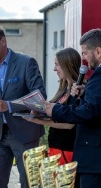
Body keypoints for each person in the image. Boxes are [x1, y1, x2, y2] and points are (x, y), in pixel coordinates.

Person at [0, 26, 46, 188]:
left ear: (3, 41)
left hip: (26, 134)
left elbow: (40, 97)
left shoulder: (26, 63)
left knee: (29, 183)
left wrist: (10, 105)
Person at [44, 28, 101, 187]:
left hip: (94, 158)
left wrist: (55, 110)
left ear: (98, 51)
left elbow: (90, 112)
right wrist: (84, 94)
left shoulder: (98, 76)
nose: (83, 58)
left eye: (85, 53)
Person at [24, 48, 80, 165]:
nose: (54, 69)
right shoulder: (64, 88)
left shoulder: (78, 91)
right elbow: (58, 114)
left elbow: (69, 124)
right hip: (57, 147)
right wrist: (41, 112)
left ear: (67, 64)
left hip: (67, 149)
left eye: (57, 65)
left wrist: (37, 120)